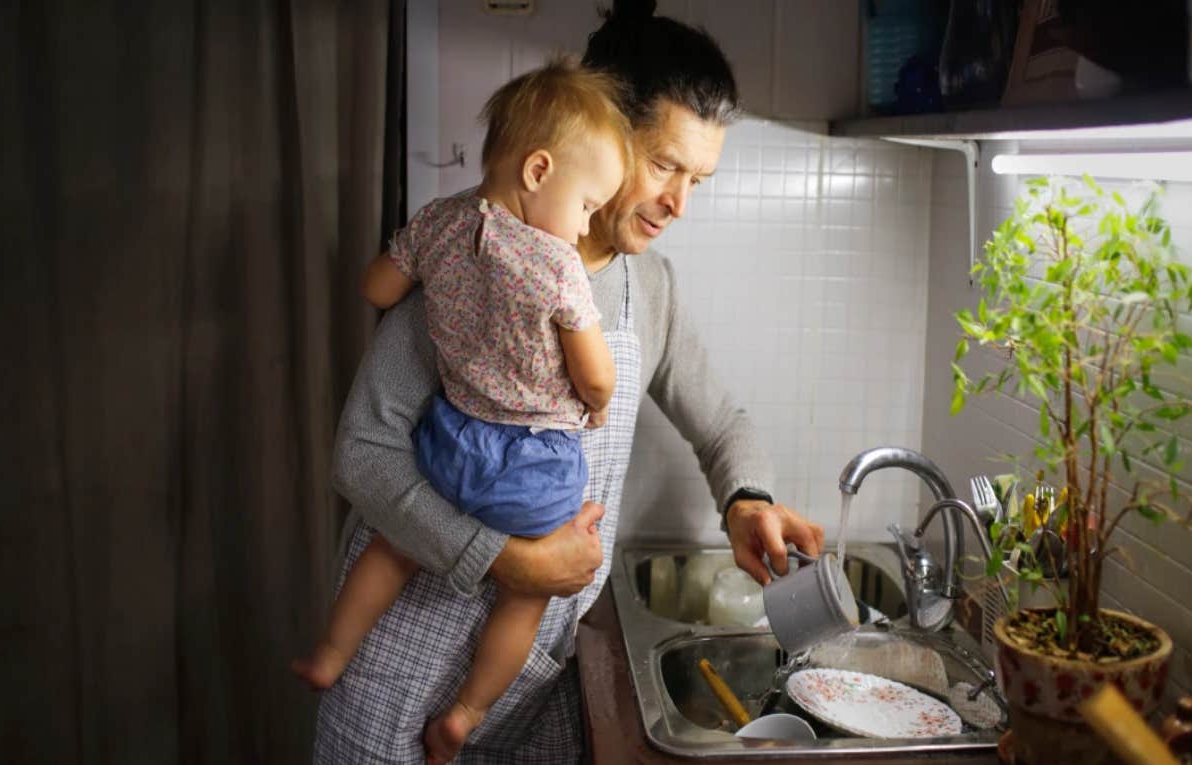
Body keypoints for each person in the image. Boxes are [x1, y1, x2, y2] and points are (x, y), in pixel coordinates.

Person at [314, 2, 824, 762]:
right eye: (664, 165)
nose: (679, 204)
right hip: (403, 652)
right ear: (605, 131)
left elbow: (721, 422)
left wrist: (746, 498)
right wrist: (507, 558)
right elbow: (361, 453)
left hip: (528, 673)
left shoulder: (650, 289)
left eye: (698, 179)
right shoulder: (473, 255)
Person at [294, 58, 631, 763]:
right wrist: (596, 404)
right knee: (524, 600)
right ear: (538, 171)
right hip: (532, 465)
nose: (585, 222)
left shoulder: (439, 223)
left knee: (392, 549)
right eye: (588, 204)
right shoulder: (558, 263)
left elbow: (378, 286)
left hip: (452, 442)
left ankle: (330, 648)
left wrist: (428, 280)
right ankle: (466, 712)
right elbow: (597, 377)